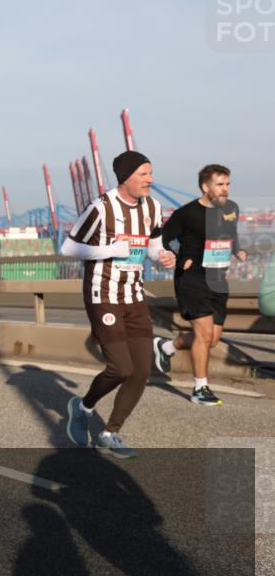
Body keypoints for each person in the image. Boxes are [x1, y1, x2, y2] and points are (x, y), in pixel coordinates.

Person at [61, 150, 176, 459]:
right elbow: (69, 247)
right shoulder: (100, 207)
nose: (150, 179)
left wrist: (163, 256)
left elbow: (153, 246)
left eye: (151, 173)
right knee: (120, 368)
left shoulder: (152, 207)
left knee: (140, 372)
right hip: (103, 295)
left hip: (134, 295)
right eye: (144, 174)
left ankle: (109, 433)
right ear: (126, 177)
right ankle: (83, 407)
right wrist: (109, 249)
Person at [153, 165, 246, 406]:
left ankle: (167, 346)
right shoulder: (186, 214)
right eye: (220, 184)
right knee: (203, 334)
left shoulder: (231, 209)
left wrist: (238, 250)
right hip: (192, 279)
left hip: (218, 280)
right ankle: (200, 388)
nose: (225, 189)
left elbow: (230, 234)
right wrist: (179, 258)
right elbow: (160, 239)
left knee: (211, 339)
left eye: (227, 184)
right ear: (206, 187)